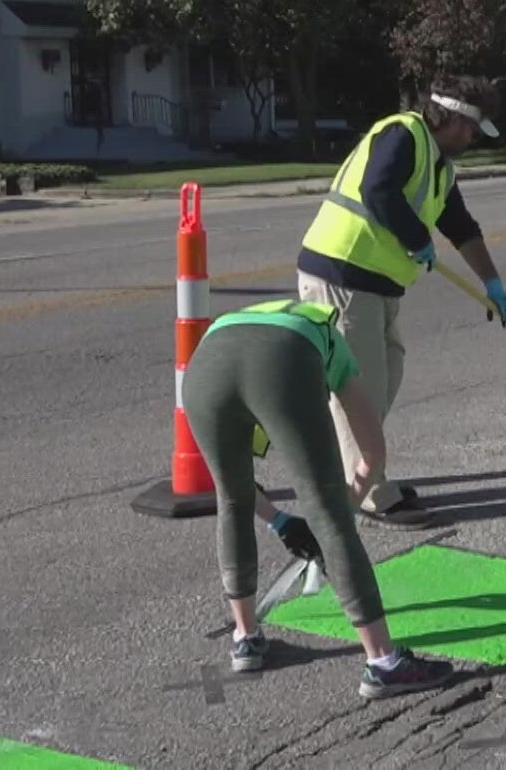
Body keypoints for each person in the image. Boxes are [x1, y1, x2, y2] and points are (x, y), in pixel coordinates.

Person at [184, 299, 455, 698]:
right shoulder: (330, 339)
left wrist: (278, 520)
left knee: (231, 501)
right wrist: (341, 509)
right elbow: (372, 453)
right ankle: (383, 661)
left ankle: (245, 638)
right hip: (282, 361)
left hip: (204, 367)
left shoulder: (240, 324)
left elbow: (236, 489)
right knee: (327, 513)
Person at [296, 77, 506, 528]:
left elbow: (460, 226)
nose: (474, 140)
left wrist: (494, 284)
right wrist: (417, 238)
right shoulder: (402, 134)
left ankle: (359, 471)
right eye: (473, 130)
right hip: (340, 273)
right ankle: (371, 492)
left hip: (378, 283)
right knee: (358, 389)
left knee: (386, 375)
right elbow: (377, 190)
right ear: (454, 119)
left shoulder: (439, 164)